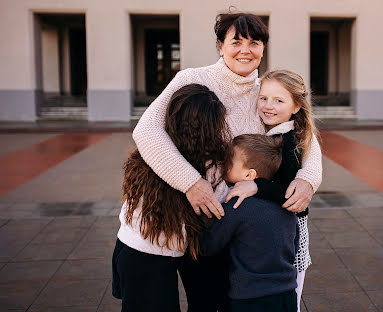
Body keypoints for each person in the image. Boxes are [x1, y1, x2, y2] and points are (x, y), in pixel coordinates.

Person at [132, 12, 322, 311]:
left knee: (212, 304)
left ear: (263, 48)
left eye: (254, 42)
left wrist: (308, 179)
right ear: (220, 45)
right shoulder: (192, 78)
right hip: (177, 216)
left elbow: (301, 134)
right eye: (236, 41)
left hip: (227, 224)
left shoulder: (265, 92)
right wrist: (191, 183)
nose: (245, 50)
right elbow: (146, 130)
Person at [112, 84, 230, 312]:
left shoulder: (150, 154)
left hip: (136, 248)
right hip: (154, 251)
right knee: (210, 301)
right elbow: (218, 207)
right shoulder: (212, 167)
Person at [225, 70, 320, 311]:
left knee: (290, 293)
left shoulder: (289, 141)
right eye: (264, 98)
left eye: (279, 101)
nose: (269, 106)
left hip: (289, 233)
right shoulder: (275, 132)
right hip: (275, 232)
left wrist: (257, 185)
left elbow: (288, 195)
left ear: (296, 106)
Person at [203, 134, 299, 312]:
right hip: (287, 293)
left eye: (230, 162)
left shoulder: (236, 205)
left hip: (250, 297)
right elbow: (294, 245)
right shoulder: (286, 207)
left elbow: (210, 245)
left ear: (249, 174)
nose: (224, 164)